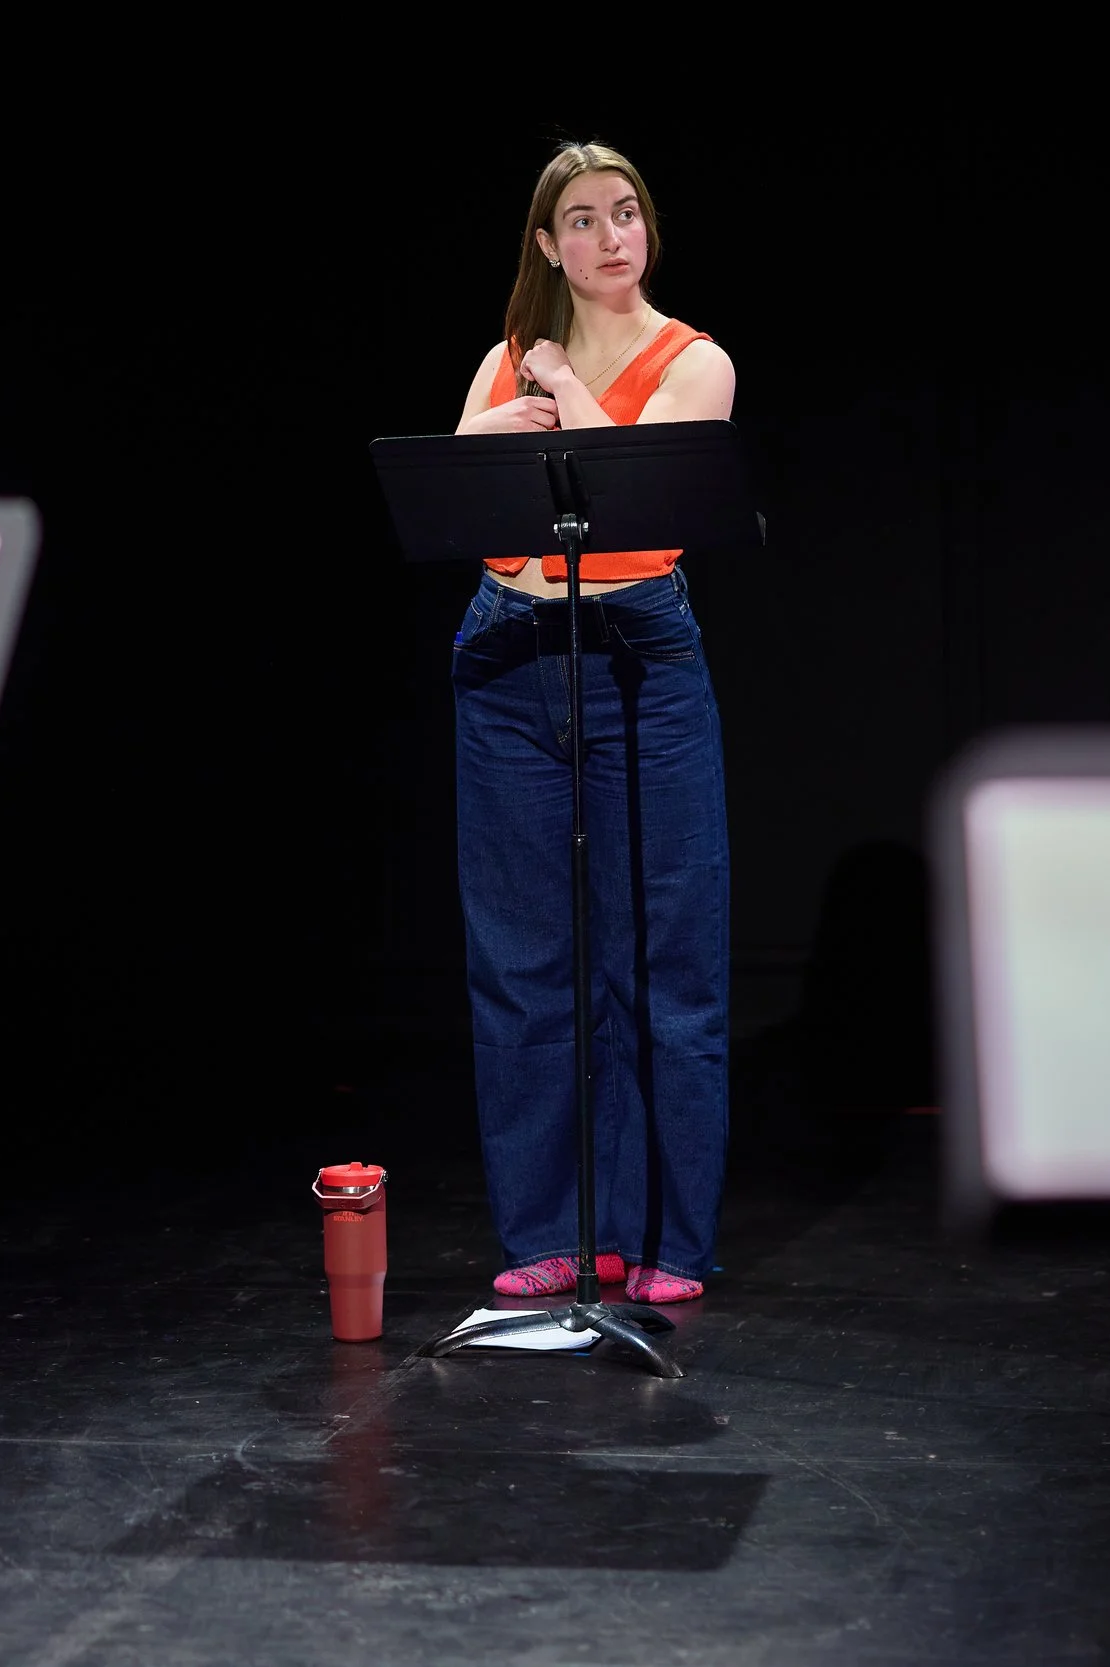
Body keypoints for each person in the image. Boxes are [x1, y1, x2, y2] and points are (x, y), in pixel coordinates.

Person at [447, 141, 737, 1305]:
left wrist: (562, 388)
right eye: (582, 220)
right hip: (508, 649)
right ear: (546, 243)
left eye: (626, 214)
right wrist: (520, 392)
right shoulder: (504, 354)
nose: (611, 237)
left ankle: (666, 1233)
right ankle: (551, 1228)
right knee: (523, 957)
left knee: (662, 954)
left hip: (637, 655)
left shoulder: (695, 360)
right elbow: (458, 482)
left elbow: (630, 481)